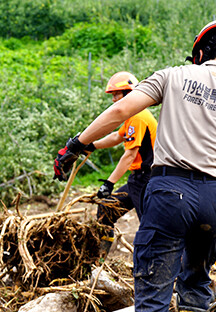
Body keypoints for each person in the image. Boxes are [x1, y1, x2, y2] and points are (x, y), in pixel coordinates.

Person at [53, 18, 216, 312]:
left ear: (199, 53)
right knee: (196, 291)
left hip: (169, 193)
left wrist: (76, 144)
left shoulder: (173, 76)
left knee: (153, 298)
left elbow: (120, 110)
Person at [74, 71, 157, 258]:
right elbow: (117, 137)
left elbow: (129, 155)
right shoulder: (132, 116)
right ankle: (98, 259)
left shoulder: (139, 117)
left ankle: (158, 270)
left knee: (151, 228)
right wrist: (91, 145)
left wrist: (109, 183)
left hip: (148, 179)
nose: (113, 99)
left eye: (116, 94)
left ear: (128, 93)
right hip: (138, 180)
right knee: (106, 209)